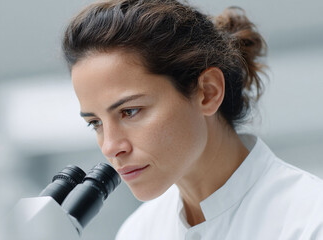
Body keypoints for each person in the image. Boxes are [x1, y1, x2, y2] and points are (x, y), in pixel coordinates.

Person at [62, 0, 323, 239]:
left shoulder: (310, 221)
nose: (110, 147)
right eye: (95, 122)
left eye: (130, 111)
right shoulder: (138, 232)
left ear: (208, 93)